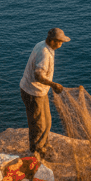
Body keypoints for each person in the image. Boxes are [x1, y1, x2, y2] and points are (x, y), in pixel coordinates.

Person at [20, 27, 69, 156]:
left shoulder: (43, 45)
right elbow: (38, 75)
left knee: (47, 121)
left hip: (38, 91)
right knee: (39, 124)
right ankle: (37, 150)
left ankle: (43, 144)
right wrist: (53, 85)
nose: (61, 44)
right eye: (59, 41)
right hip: (33, 93)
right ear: (52, 41)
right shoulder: (44, 53)